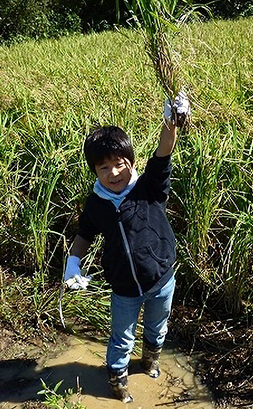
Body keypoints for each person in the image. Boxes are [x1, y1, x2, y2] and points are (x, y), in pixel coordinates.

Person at [63, 91, 190, 403]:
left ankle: (151, 362)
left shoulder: (149, 187)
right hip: (123, 288)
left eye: (119, 164)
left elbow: (163, 153)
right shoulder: (96, 203)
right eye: (103, 168)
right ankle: (118, 385)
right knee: (120, 338)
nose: (113, 173)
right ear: (94, 172)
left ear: (130, 162)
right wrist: (72, 263)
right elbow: (85, 234)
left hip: (161, 280)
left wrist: (171, 120)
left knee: (157, 329)